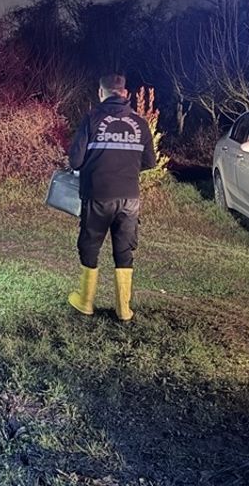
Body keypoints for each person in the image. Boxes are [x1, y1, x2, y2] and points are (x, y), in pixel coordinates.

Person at [65, 74, 156, 321]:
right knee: (124, 249)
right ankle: (124, 310)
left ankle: (85, 301)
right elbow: (149, 162)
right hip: (129, 197)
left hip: (97, 195)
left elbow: (75, 160)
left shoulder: (91, 120)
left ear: (101, 93)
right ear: (124, 94)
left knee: (90, 244)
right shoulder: (140, 123)